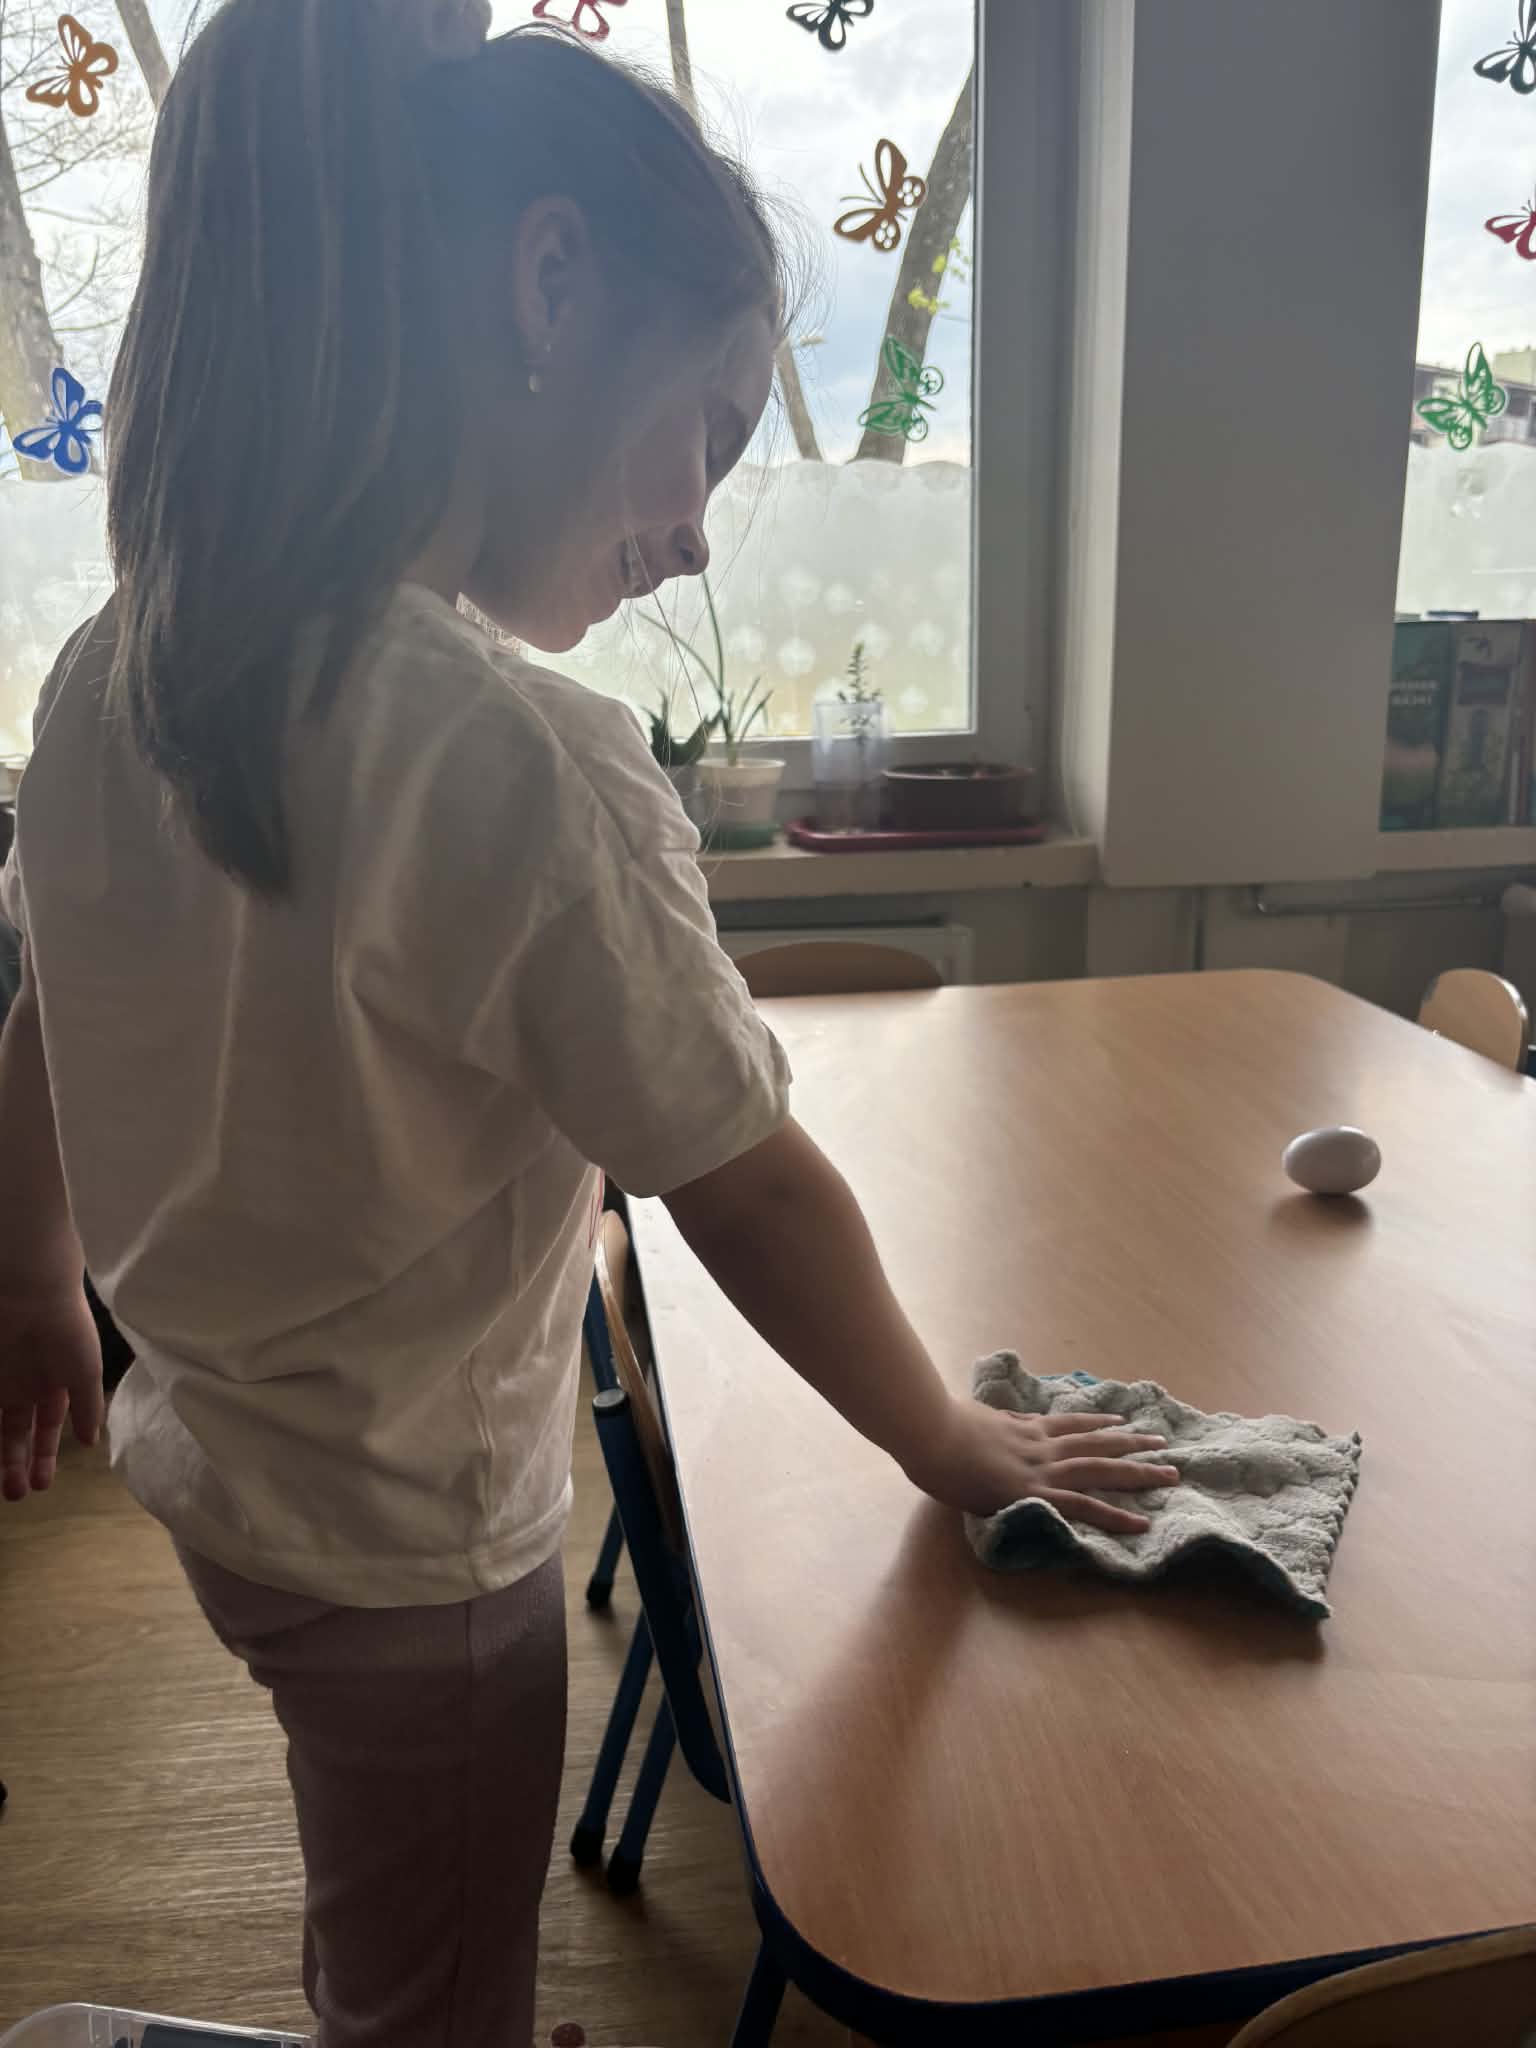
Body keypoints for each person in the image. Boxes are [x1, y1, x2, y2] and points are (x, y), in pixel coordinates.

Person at [0, 4, 1179, 2044]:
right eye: (705, 430)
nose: (706, 525)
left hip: (229, 1481)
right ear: (548, 288)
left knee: (383, 1892)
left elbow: (51, 1002)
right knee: (436, 1992)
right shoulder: (519, 759)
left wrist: (30, 1267)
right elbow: (746, 1184)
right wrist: (948, 1438)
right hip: (420, 1563)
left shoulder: (118, 671)